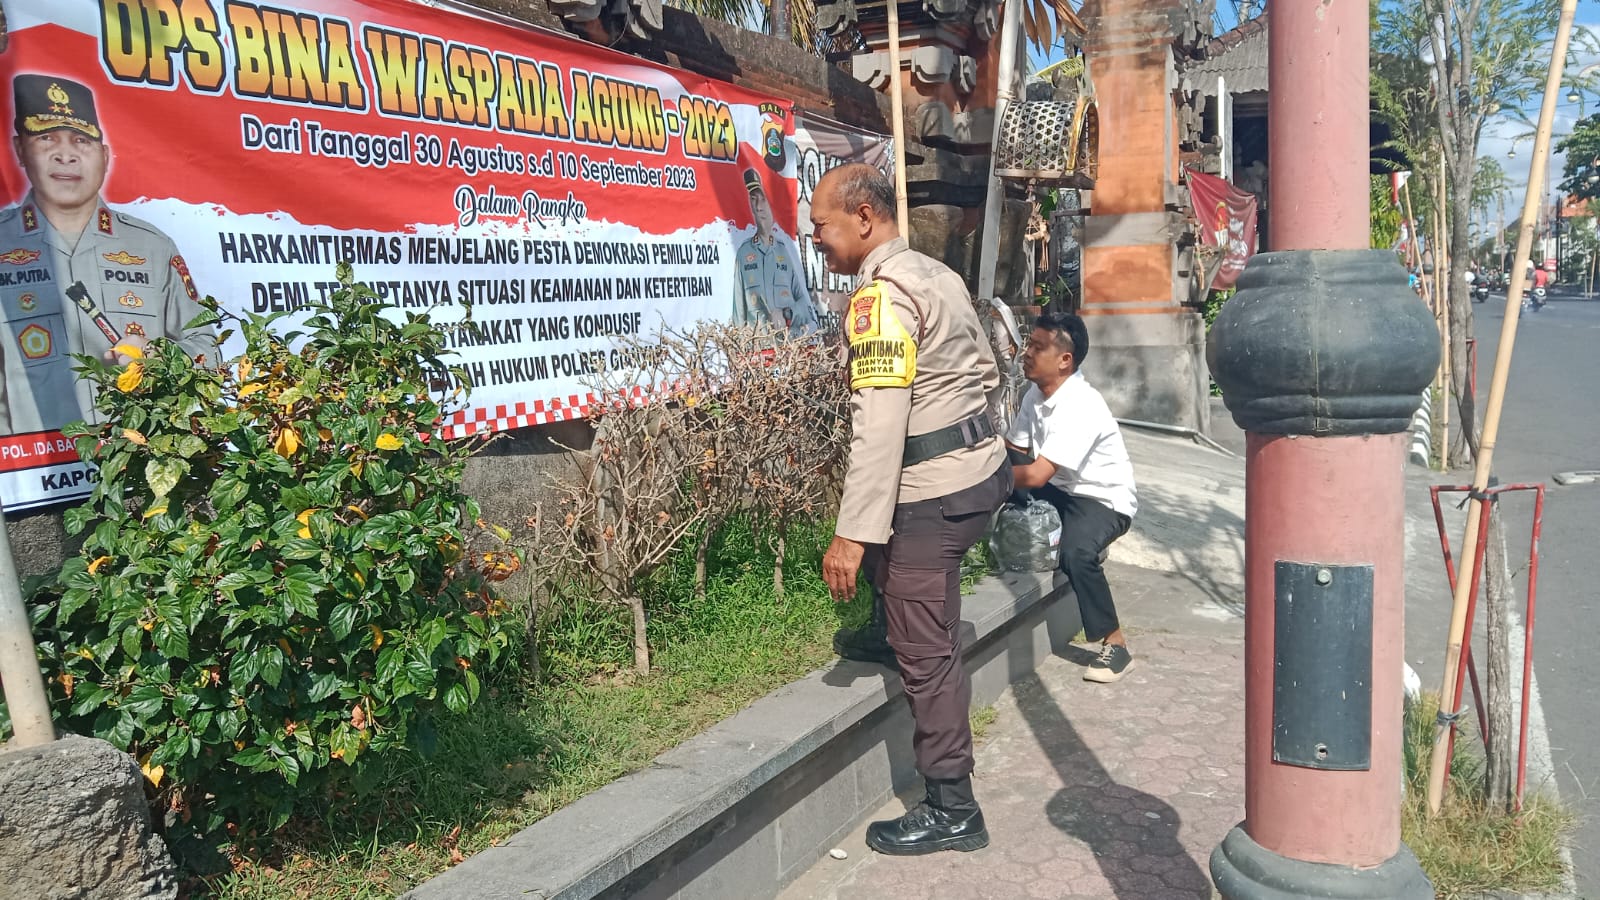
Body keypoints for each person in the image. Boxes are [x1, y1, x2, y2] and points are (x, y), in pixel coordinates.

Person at [813, 163, 1010, 855]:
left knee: (927, 655)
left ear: (864, 218)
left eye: (822, 227)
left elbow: (879, 423)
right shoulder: (935, 274)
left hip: (935, 490)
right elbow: (988, 370)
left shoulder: (881, 299)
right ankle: (889, 626)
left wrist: (851, 535)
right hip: (980, 471)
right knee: (902, 589)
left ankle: (953, 807)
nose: (818, 242)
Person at [0, 74, 212, 436]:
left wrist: (155, 356)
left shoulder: (151, 247)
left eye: (81, 140)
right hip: (30, 464)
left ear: (104, 155)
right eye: (46, 138)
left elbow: (206, 349)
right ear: (20, 150)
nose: (65, 155)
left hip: (137, 460)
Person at [1006, 312, 1139, 683]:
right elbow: (1014, 452)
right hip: (1062, 489)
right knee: (998, 477)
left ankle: (1116, 645)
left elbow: (1035, 474)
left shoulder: (1081, 403)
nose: (1027, 353)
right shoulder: (1035, 394)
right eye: (1029, 344)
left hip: (1101, 500)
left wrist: (984, 478)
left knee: (1076, 554)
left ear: (1065, 360)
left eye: (1038, 347)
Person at [732, 167, 819, 338]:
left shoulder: (784, 251)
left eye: (762, 199)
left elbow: (805, 304)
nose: (758, 207)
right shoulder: (744, 253)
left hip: (787, 346)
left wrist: (787, 314)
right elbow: (738, 315)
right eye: (753, 199)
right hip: (759, 349)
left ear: (771, 205)